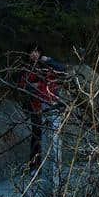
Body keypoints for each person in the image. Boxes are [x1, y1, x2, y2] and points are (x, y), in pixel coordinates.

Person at [18, 42, 67, 173]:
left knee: (54, 136)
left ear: (40, 53)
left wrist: (49, 60)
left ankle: (54, 167)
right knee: (37, 135)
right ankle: (35, 166)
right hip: (36, 106)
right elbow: (23, 86)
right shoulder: (27, 68)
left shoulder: (47, 66)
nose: (34, 54)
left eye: (37, 52)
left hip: (52, 104)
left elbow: (62, 69)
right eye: (31, 52)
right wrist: (38, 84)